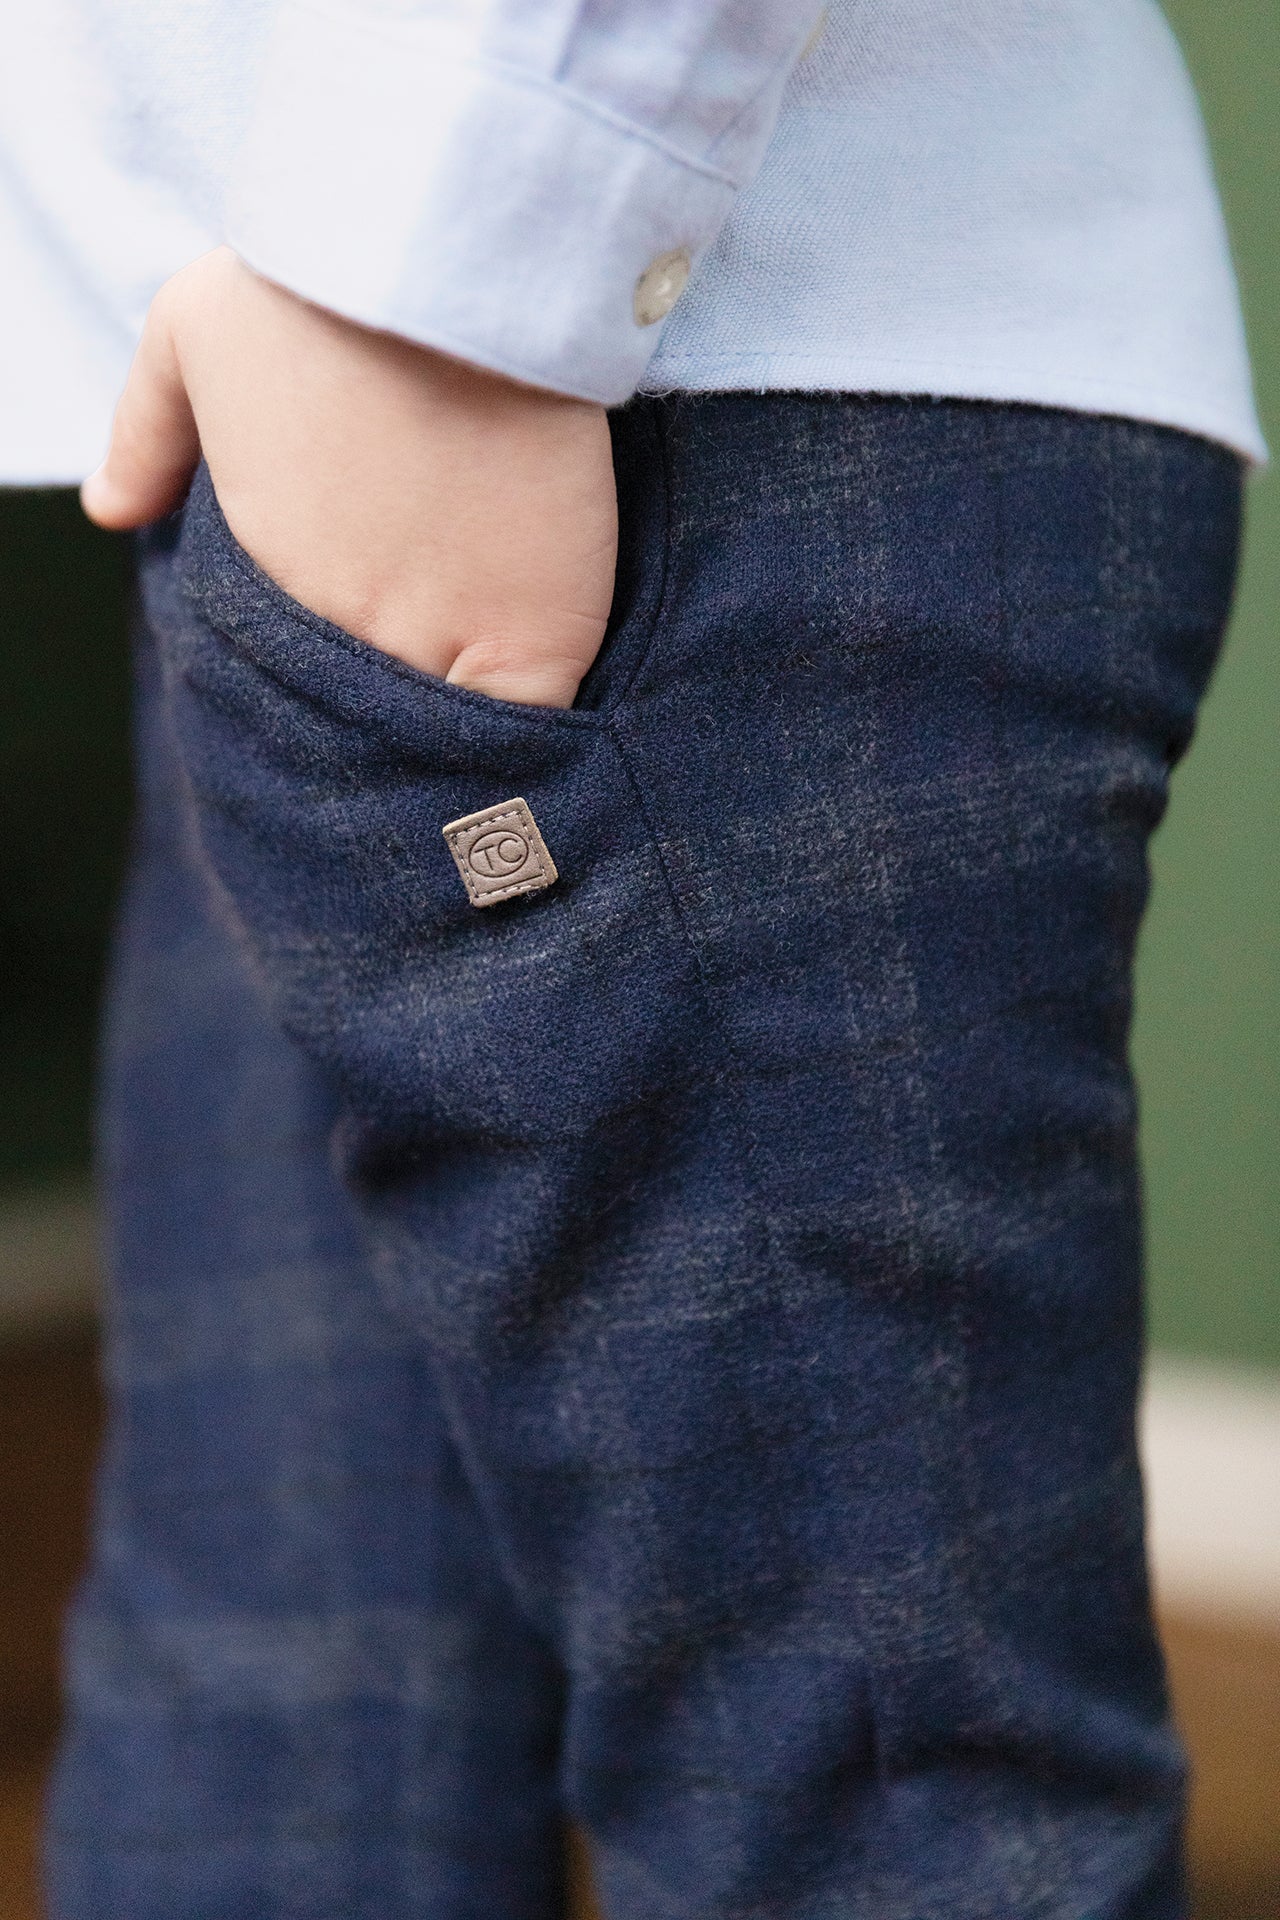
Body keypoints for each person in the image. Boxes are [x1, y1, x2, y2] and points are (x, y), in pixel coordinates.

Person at [1, 2, 1261, 1915]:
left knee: (867, 1818)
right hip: (319, 405)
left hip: (607, 379)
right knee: (279, 1771)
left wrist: (439, 273)